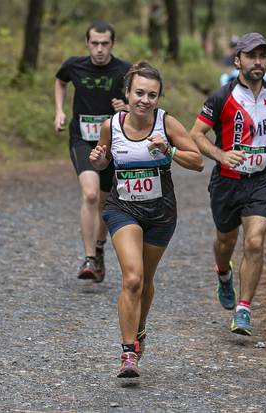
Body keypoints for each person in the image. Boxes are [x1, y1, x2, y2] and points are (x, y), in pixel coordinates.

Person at [89, 62, 204, 378]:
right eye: (139, 92)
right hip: (122, 209)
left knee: (147, 279)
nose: (145, 99)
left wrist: (169, 151)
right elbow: (105, 159)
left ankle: (139, 329)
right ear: (126, 93)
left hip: (160, 213)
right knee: (133, 278)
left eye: (152, 94)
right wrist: (100, 161)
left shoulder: (166, 124)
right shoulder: (111, 125)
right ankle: (128, 353)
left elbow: (197, 162)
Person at [190, 33, 266, 336]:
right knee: (225, 242)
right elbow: (196, 135)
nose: (258, 62)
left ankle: (243, 309)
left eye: (262, 56)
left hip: (261, 181)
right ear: (237, 60)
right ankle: (222, 273)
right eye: (251, 56)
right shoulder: (222, 97)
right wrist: (221, 155)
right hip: (227, 183)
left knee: (254, 241)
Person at [54, 21, 131, 282]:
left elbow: (141, 103)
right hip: (82, 140)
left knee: (105, 202)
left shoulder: (124, 70)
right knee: (89, 194)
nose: (99, 49)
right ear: (87, 43)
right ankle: (88, 258)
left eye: (104, 44)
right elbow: (60, 81)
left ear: (112, 44)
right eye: (95, 43)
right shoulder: (74, 65)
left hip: (112, 143)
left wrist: (127, 107)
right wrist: (59, 111)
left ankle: (98, 250)